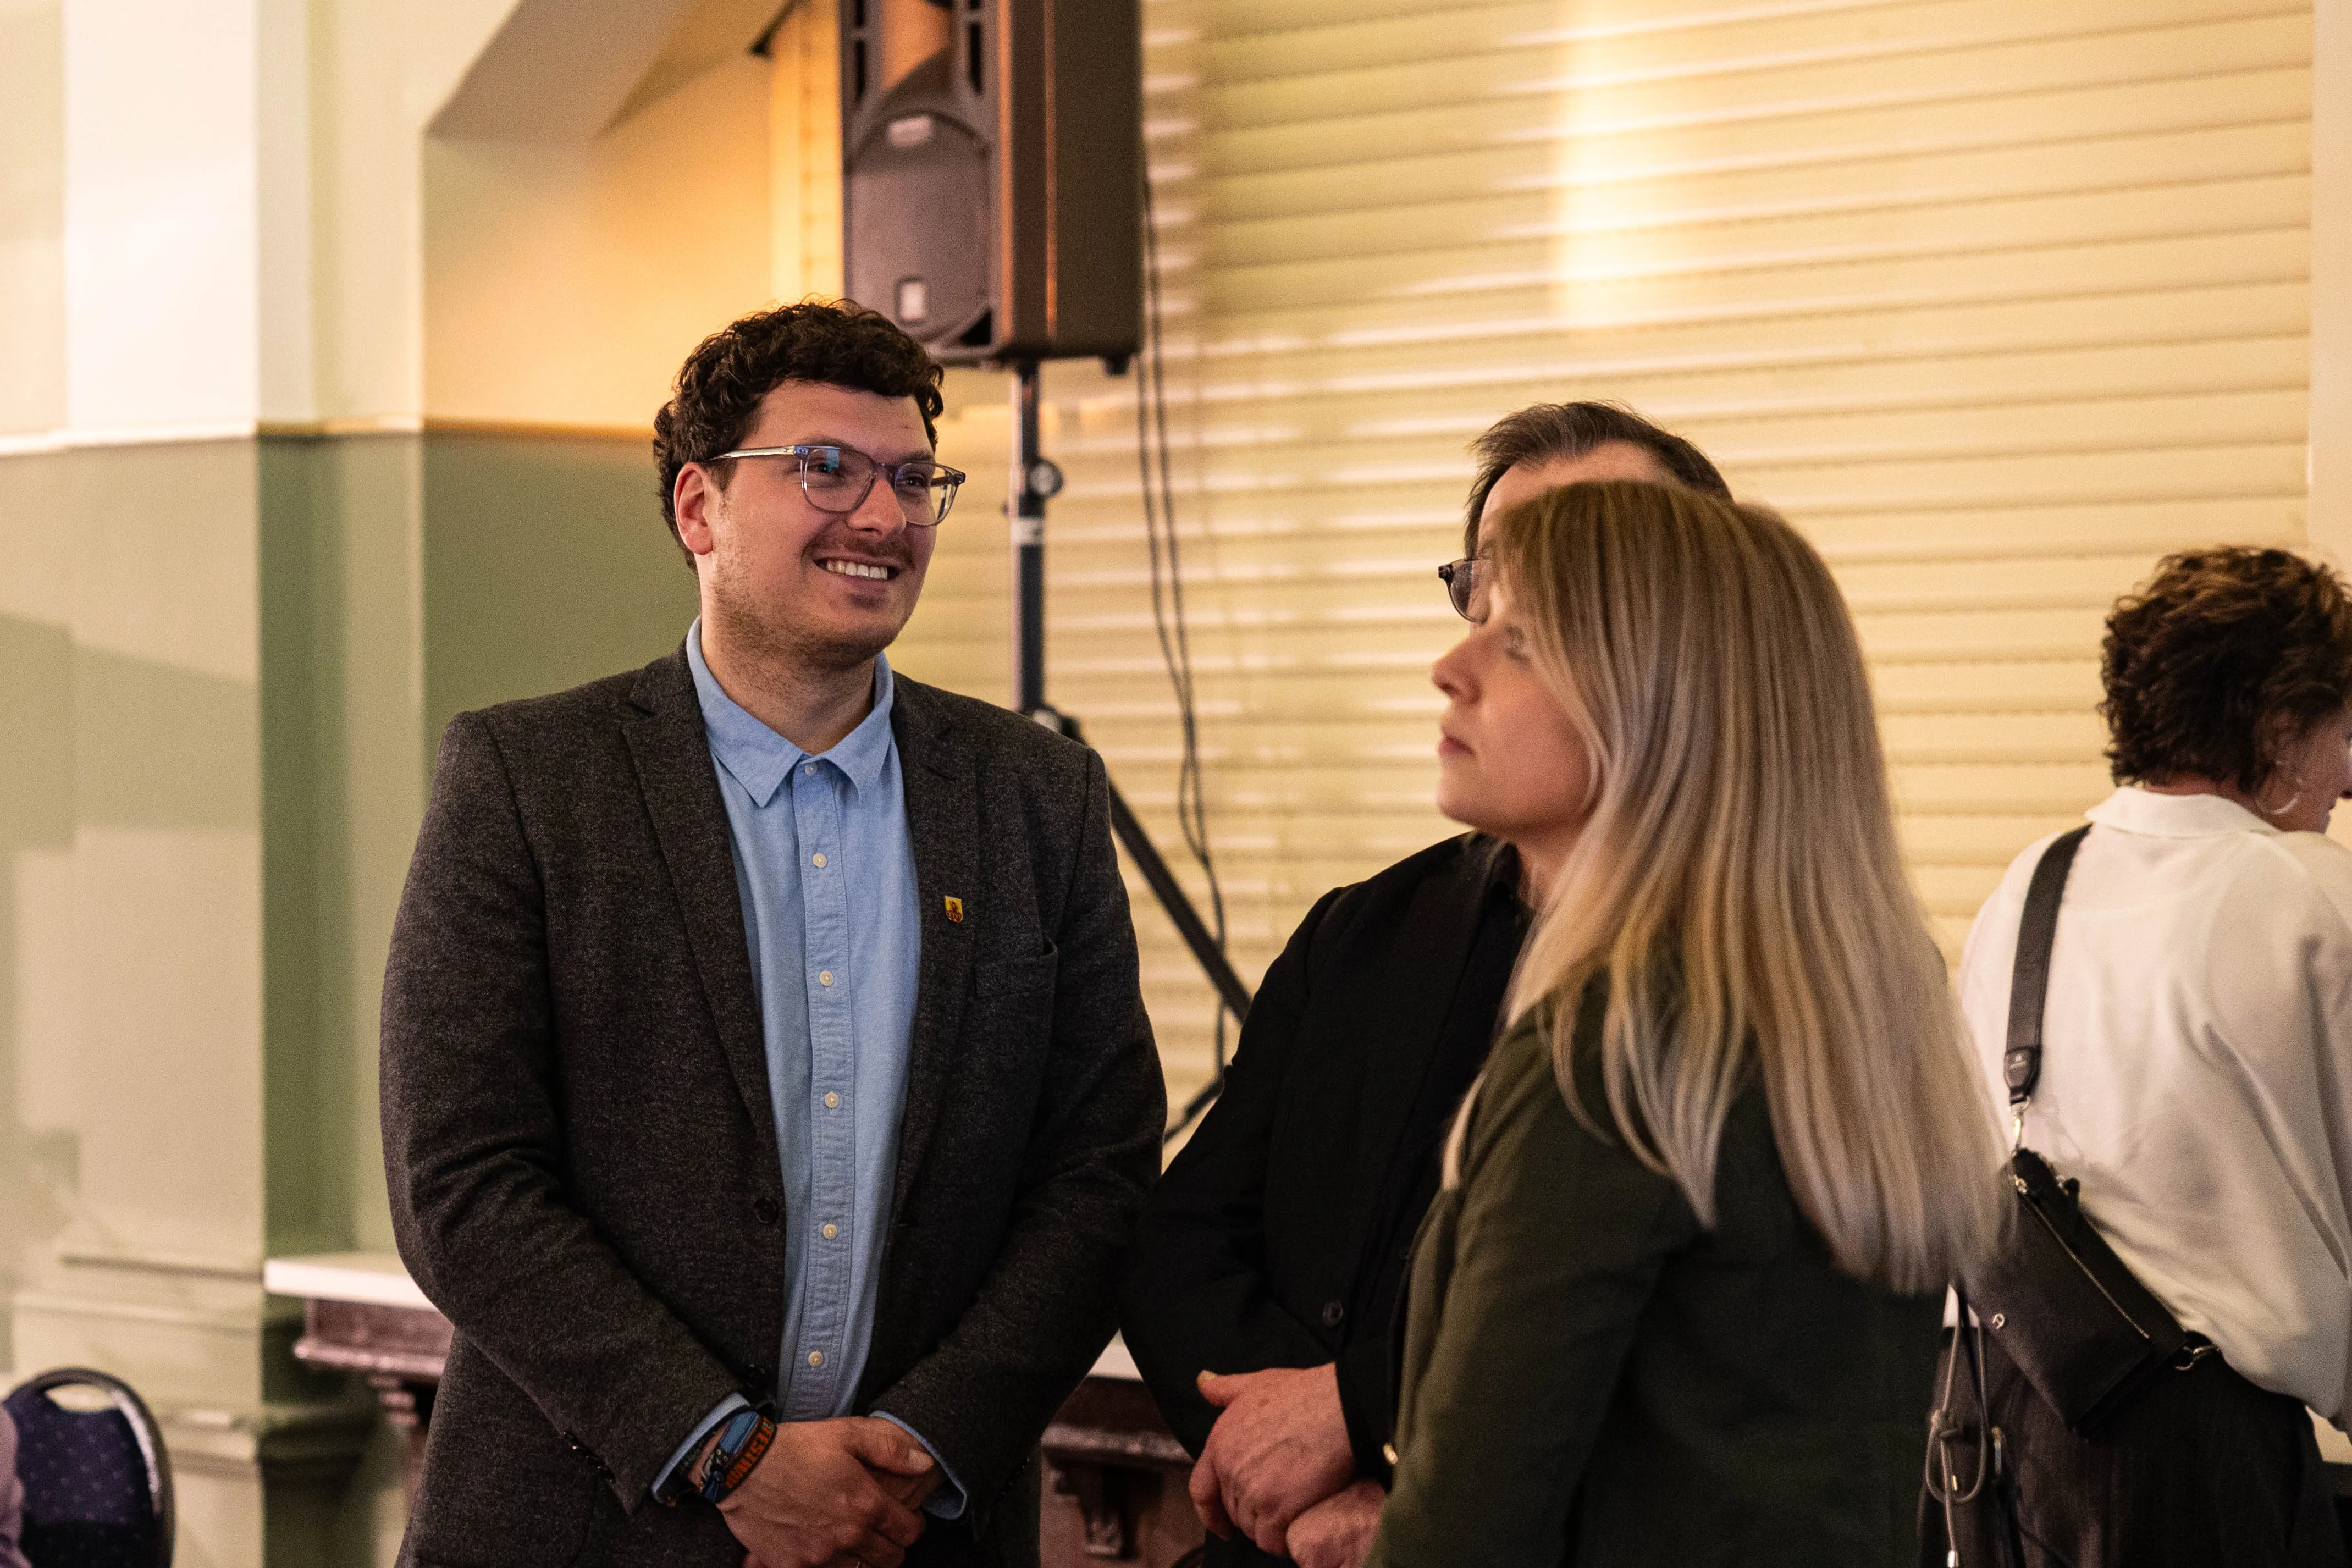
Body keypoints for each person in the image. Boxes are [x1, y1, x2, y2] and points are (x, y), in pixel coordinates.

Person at [379, 301, 1165, 1568]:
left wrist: (917, 1446)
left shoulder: (1036, 797)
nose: (883, 516)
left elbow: (1101, 1168)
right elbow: (460, 1183)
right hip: (585, 1530)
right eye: (826, 470)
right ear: (700, 509)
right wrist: (729, 1452)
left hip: (918, 1529)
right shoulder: (529, 781)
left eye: (914, 479)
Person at [1118, 405, 1731, 1568]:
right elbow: (1183, 1240)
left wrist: (1377, 1446)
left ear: (1685, 624)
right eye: (1485, 595)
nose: (1462, 660)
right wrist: (1292, 1478)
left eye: (1548, 607)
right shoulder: (1366, 929)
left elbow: (1651, 1328)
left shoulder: (1751, 986)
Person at [1361, 480, 2001, 1568]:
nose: (1451, 668)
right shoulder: (1839, 1010)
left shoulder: (1617, 1044)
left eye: (1519, 643)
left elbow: (1465, 1529)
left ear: (1663, 705)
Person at [1940, 547, 2352, 1568]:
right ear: (2276, 728)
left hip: (2002, 1430)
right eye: (2342, 732)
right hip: (2202, 1465)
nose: (2350, 773)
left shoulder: (2033, 879)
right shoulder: (2306, 893)